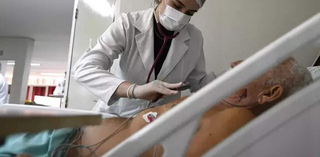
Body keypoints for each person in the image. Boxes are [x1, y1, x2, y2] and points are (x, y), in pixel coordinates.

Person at [0, 58, 312, 157]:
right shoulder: (217, 104)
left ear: (270, 93)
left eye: (254, 65)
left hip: (67, 150)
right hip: (67, 137)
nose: (235, 63)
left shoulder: (236, 118)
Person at [73, 0, 216, 117]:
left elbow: (198, 83)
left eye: (190, 13)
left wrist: (235, 79)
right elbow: (84, 69)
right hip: (118, 116)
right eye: (177, 6)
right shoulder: (128, 24)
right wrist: (134, 91)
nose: (181, 17)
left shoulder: (194, 37)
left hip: (159, 122)